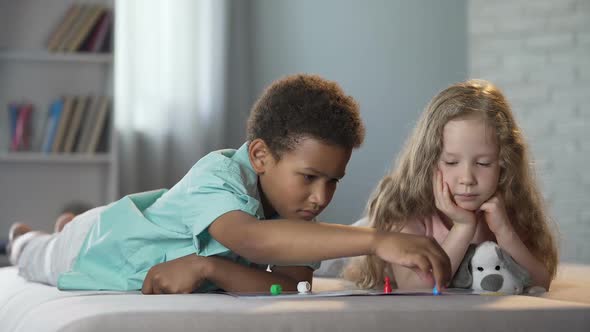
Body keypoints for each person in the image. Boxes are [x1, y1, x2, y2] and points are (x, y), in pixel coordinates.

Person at [8, 74, 451, 294]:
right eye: (310, 177)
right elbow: (255, 243)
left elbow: (290, 283)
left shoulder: (295, 218)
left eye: (333, 181)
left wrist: (212, 269)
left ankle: (63, 221)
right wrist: (375, 240)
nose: (321, 196)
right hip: (100, 245)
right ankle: (26, 234)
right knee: (36, 254)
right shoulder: (218, 174)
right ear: (260, 156)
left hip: (137, 230)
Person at [344, 79, 558, 291]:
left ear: (504, 164)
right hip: (368, 233)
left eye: (483, 163)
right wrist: (463, 227)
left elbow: (540, 282)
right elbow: (415, 286)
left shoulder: (504, 211)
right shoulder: (405, 210)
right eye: (451, 162)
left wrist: (504, 231)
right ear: (427, 161)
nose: (467, 178)